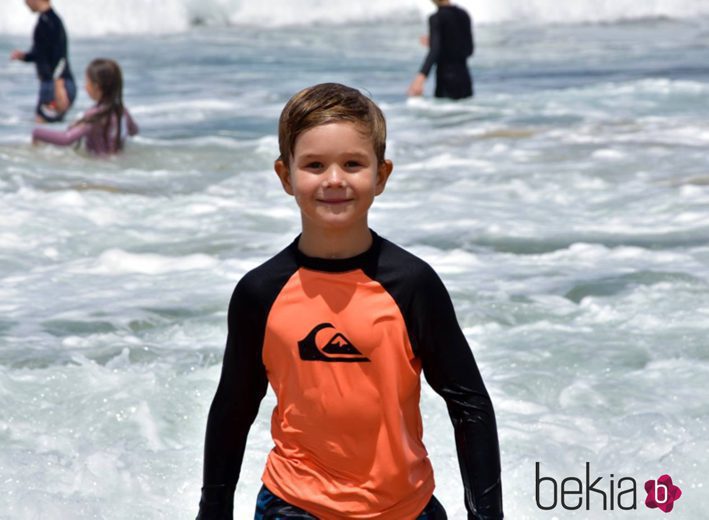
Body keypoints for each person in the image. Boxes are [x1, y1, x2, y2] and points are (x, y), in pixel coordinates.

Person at [196, 83, 503, 519]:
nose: (334, 179)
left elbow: (469, 402)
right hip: (293, 505)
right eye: (315, 165)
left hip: (404, 508)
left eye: (353, 164)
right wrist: (213, 510)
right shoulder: (260, 293)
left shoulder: (413, 285)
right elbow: (233, 407)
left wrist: (487, 514)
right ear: (286, 176)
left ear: (381, 175)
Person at [32, 59, 139, 155]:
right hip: (118, 168)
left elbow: (66, 139)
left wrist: (37, 133)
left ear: (96, 86)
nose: (85, 86)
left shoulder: (95, 115)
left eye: (87, 81)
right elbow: (134, 131)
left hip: (98, 170)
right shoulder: (122, 111)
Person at [10, 0, 77, 122]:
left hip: (56, 85)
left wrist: (59, 86)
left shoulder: (50, 22)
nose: (25, 3)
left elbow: (60, 55)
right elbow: (41, 53)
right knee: (45, 130)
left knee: (41, 128)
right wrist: (24, 56)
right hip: (53, 84)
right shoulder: (45, 20)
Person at [408, 0, 475, 100]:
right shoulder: (463, 14)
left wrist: (420, 78)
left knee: (445, 114)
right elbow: (469, 50)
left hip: (446, 78)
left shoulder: (436, 18)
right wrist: (437, 43)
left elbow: (435, 51)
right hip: (465, 78)